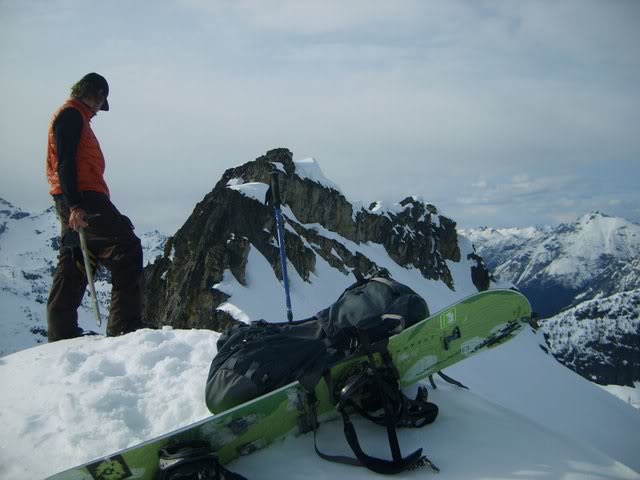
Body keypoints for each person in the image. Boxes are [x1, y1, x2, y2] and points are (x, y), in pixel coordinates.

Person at [45, 72, 143, 342]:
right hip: (84, 198)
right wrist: (76, 204)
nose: (100, 110)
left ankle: (61, 330)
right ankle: (125, 326)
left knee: (77, 255)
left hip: (72, 197)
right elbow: (65, 162)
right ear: (96, 94)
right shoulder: (72, 116)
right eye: (102, 102)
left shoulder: (73, 116)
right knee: (127, 248)